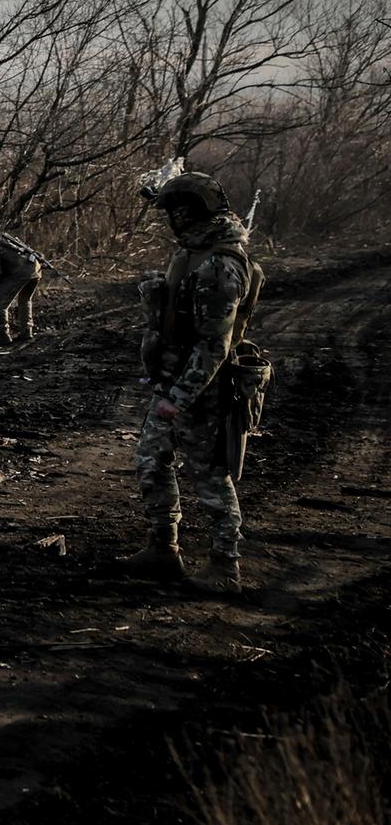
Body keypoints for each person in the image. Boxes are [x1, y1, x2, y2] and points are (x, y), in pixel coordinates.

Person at [126, 171, 265, 592]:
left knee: (209, 477)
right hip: (172, 380)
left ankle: (226, 567)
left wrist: (180, 397)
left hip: (202, 389)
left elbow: (214, 346)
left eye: (175, 212)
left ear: (190, 214)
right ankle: (162, 550)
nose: (171, 221)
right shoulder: (197, 252)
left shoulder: (221, 265)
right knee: (151, 461)